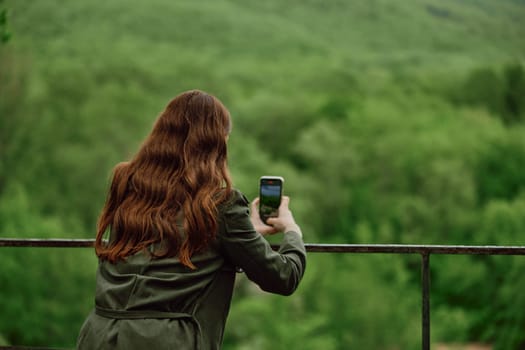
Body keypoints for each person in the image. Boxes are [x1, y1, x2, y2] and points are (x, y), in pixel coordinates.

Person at [76, 90, 306, 350]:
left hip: (98, 334)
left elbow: (165, 244)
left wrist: (245, 232)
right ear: (216, 144)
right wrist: (292, 231)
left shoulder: (125, 183)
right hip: (165, 341)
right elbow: (282, 277)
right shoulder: (221, 204)